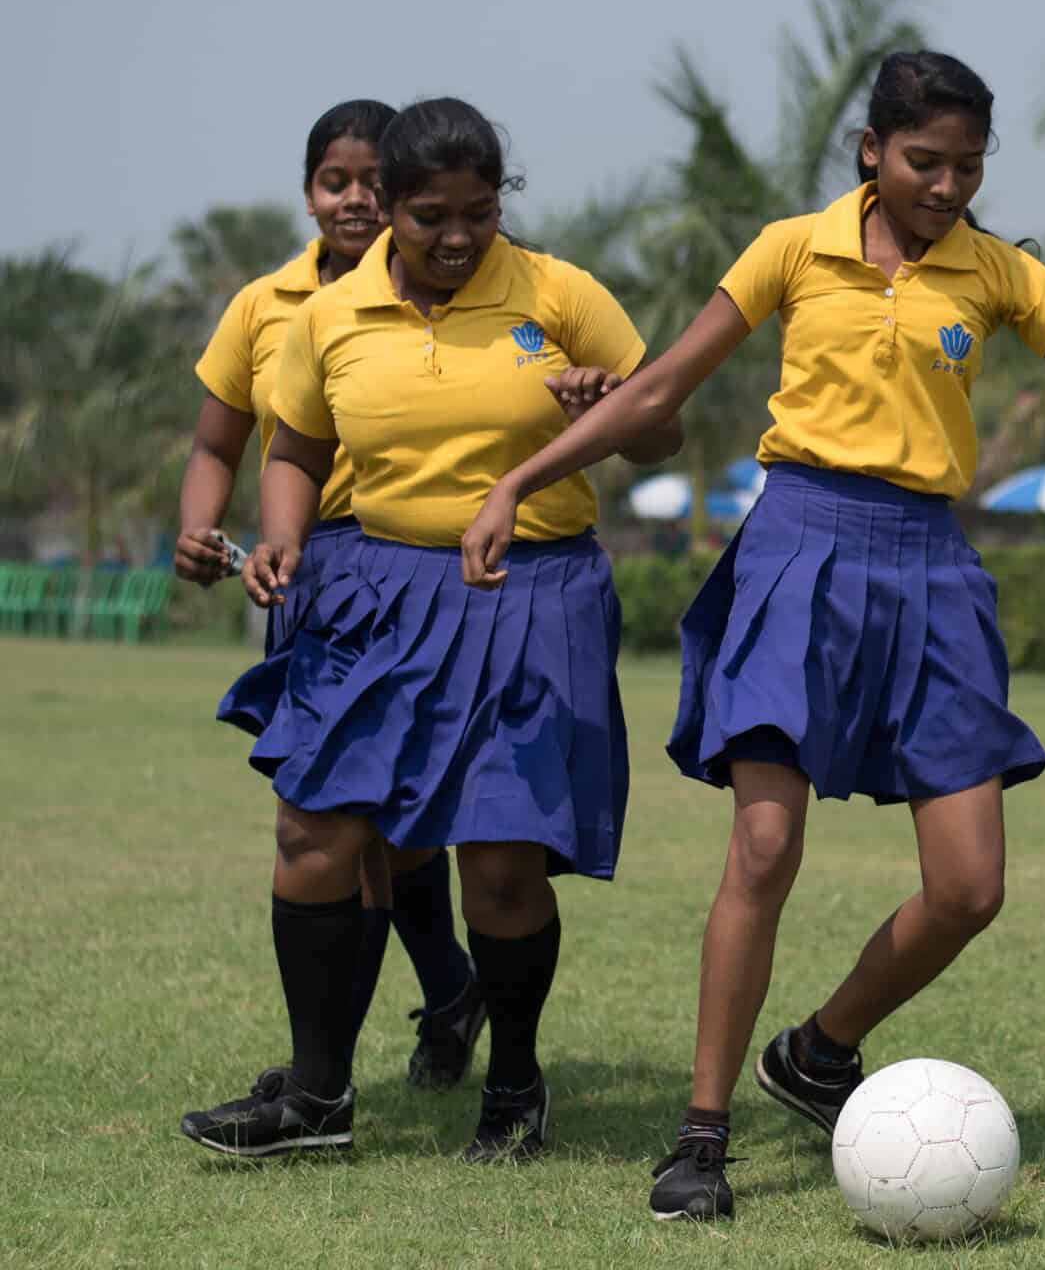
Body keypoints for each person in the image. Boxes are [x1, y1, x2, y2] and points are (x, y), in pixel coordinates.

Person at [458, 51, 1045, 1220]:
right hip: (799, 548)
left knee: (971, 886)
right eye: (923, 161)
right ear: (871, 149)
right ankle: (702, 1138)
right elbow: (659, 391)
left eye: (967, 165)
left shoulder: (1000, 273)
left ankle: (819, 1048)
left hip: (934, 573)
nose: (946, 185)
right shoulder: (795, 247)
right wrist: (518, 480)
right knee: (763, 846)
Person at [179, 97, 679, 1161]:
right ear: (389, 208)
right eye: (430, 214)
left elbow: (661, 424)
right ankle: (317, 1095)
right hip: (369, 590)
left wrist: (610, 402)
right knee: (315, 832)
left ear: (504, 201)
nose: (457, 234)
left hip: (529, 590)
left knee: (500, 865)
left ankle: (513, 1081)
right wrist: (280, 540)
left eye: (480, 210)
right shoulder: (329, 313)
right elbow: (295, 451)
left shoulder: (559, 291)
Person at [175, 99, 484, 1094]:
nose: (352, 200)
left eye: (369, 183)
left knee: (387, 826)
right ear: (308, 190)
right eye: (332, 181)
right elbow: (220, 440)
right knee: (347, 826)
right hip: (305, 570)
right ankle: (409, 1016)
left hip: (415, 567)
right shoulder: (267, 304)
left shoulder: (469, 286)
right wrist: (202, 523)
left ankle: (336, 1066)